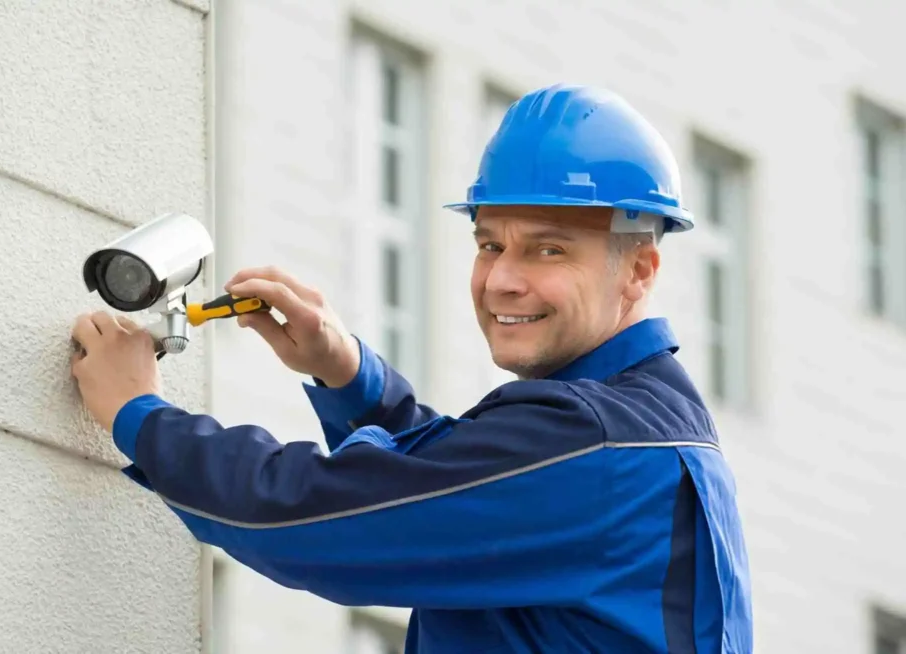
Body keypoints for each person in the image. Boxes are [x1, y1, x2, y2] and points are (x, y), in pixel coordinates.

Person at [71, 84, 753, 653]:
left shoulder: (594, 445)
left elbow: (308, 516)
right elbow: (464, 489)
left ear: (637, 270)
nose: (502, 281)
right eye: (490, 244)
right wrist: (349, 378)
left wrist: (139, 414)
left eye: (549, 250)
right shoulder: (645, 430)